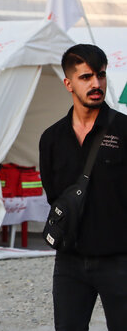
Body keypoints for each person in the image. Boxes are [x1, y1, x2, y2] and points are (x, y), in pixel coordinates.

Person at [39, 44, 127, 331]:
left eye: (100, 76)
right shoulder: (51, 139)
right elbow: (54, 196)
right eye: (86, 77)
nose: (96, 84)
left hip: (119, 260)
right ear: (68, 83)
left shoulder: (123, 130)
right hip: (70, 263)